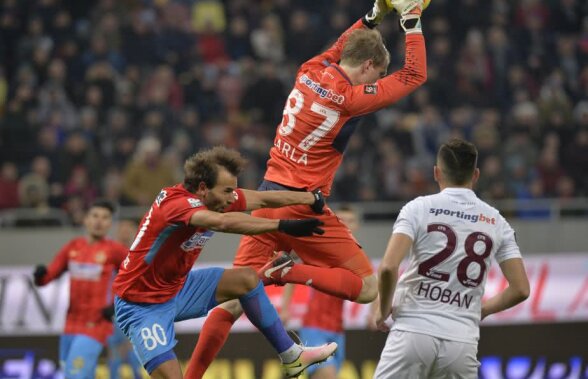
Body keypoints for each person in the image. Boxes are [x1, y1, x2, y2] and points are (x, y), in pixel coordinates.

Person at [187, 0, 428, 377]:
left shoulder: (310, 69)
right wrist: (411, 23)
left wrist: (373, 15)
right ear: (368, 66)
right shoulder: (350, 99)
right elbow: (413, 75)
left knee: (232, 301)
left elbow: (343, 44)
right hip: (303, 205)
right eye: (375, 74)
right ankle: (281, 274)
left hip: (268, 198)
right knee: (367, 287)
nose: (373, 82)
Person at [112, 146, 337, 379]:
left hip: (178, 288)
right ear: (202, 189)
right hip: (140, 307)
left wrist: (310, 197)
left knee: (246, 279)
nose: (233, 197)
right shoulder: (175, 205)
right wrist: (283, 226)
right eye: (228, 191)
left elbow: (262, 199)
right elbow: (222, 223)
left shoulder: (214, 196)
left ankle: (292, 356)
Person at [373, 138, 530, 378]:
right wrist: (483, 310)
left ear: (436, 172)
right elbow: (521, 289)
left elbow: (387, 268)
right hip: (462, 342)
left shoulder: (418, 208)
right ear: (475, 175)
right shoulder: (497, 221)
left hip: (413, 331)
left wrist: (382, 310)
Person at [33, 200, 128, 379]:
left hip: (96, 325)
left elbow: (134, 278)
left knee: (75, 376)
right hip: (70, 324)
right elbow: (47, 277)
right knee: (79, 374)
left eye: (105, 218)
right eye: (95, 216)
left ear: (110, 224)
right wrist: (40, 275)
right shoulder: (72, 247)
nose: (99, 221)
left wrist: (116, 303)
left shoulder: (115, 250)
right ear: (86, 220)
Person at [281, 205, 361, 379]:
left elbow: (373, 286)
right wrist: (285, 308)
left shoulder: (358, 259)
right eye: (341, 220)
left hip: (338, 331)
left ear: (357, 226)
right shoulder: (320, 252)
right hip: (314, 327)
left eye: (351, 221)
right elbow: (292, 271)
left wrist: (377, 310)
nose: (346, 224)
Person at [107, 219, 143, 379]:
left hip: (132, 311)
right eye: (122, 228)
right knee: (114, 352)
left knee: (133, 352)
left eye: (129, 228)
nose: (125, 232)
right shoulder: (108, 256)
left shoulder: (140, 255)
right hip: (111, 311)